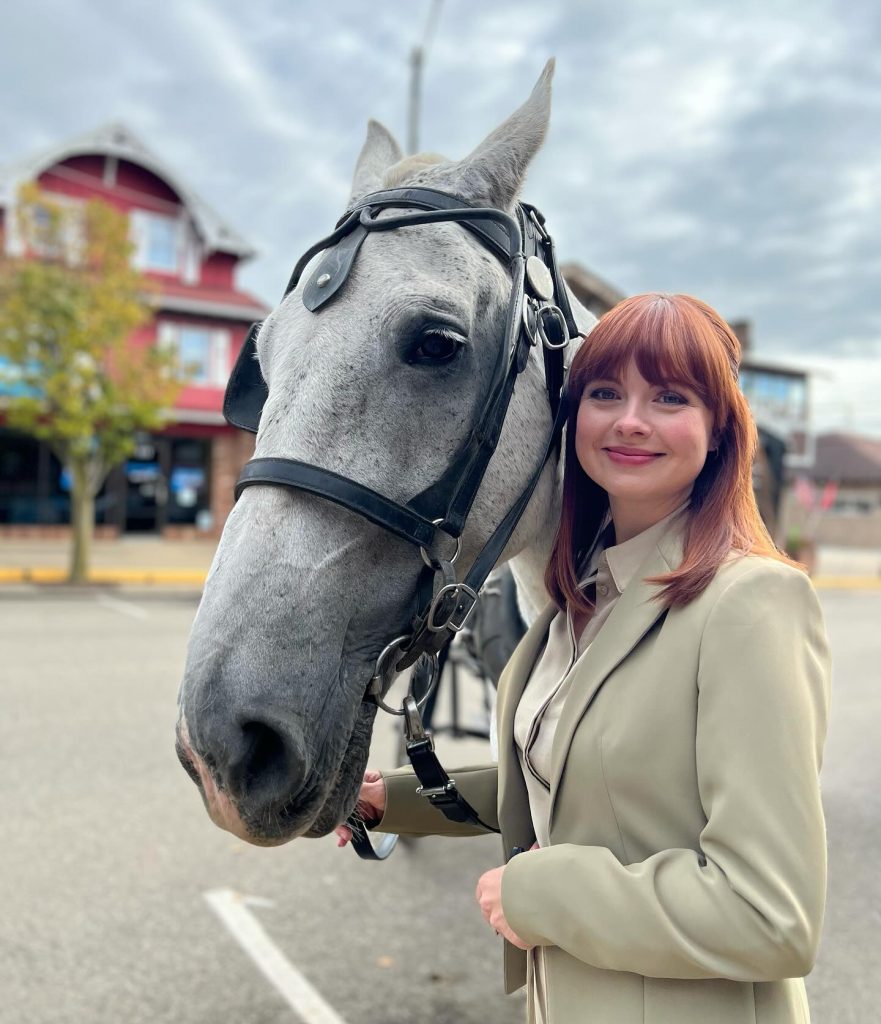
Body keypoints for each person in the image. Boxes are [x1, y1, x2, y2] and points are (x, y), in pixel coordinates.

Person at [336, 293, 831, 1024]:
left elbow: (770, 914)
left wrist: (541, 895)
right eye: (605, 393)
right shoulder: (583, 593)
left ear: (719, 429)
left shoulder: (751, 603)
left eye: (669, 397)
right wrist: (392, 799)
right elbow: (574, 779)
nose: (630, 419)